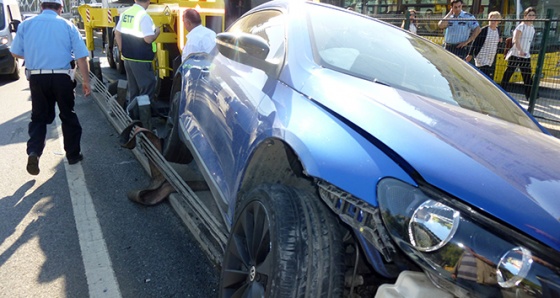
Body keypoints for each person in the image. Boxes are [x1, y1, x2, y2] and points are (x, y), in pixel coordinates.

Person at [10, 0, 91, 175]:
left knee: (38, 118)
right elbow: (82, 57)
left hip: (37, 78)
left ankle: (34, 152)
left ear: (41, 7)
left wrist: (33, 53)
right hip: (62, 77)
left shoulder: (26, 25)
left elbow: (15, 52)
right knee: (68, 115)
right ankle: (73, 155)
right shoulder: (67, 25)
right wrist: (86, 81)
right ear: (60, 8)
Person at [114, 0, 160, 105]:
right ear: (148, 1)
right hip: (141, 59)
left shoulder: (126, 13)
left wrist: (122, 49)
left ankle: (132, 116)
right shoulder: (143, 16)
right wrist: (157, 32)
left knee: (134, 89)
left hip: (128, 58)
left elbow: (117, 33)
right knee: (147, 88)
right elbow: (148, 39)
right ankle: (143, 118)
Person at [501, 7, 537, 100]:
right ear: (525, 16)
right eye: (529, 15)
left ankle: (530, 95)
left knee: (527, 75)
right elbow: (515, 39)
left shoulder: (532, 28)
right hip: (516, 54)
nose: (531, 17)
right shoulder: (521, 26)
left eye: (533, 15)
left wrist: (524, 52)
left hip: (526, 55)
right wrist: (520, 50)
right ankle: (501, 91)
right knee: (508, 73)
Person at [466, 11, 502, 78]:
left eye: (495, 20)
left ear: (498, 21)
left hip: (491, 56)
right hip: (482, 55)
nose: (493, 21)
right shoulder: (484, 30)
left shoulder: (498, 30)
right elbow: (475, 42)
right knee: (484, 74)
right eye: (491, 19)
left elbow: (498, 41)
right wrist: (470, 54)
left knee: (487, 75)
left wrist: (500, 41)